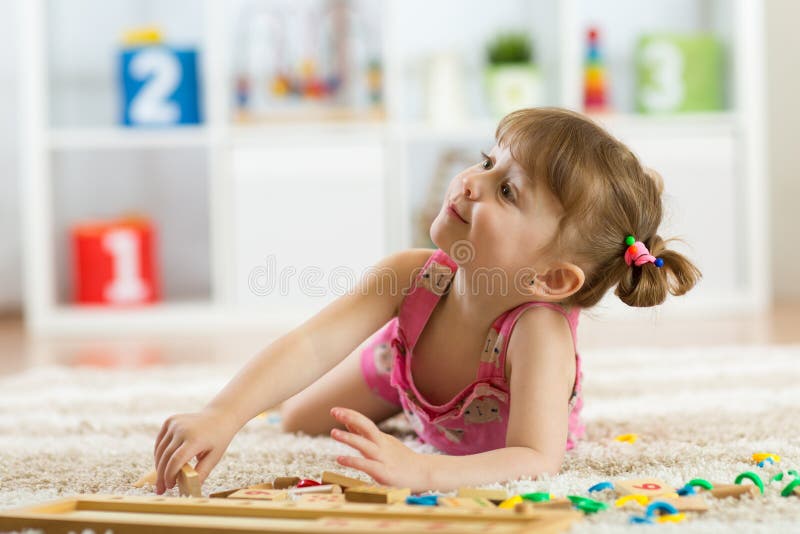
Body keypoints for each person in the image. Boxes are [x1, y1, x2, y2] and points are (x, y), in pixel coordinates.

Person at [153, 107, 702, 494]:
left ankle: (418, 417)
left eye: (508, 191)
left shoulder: (539, 334)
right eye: (488, 162)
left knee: (405, 442)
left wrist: (423, 470)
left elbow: (536, 459)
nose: (471, 183)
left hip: (483, 428)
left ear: (552, 281)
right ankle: (407, 403)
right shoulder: (409, 275)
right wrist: (221, 414)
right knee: (296, 418)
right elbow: (313, 342)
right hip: (402, 371)